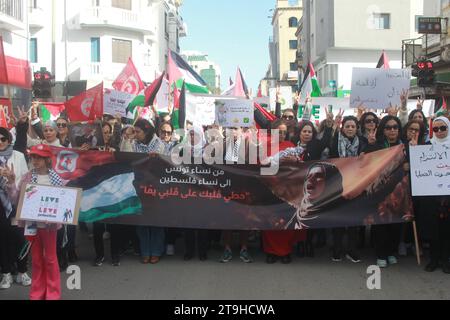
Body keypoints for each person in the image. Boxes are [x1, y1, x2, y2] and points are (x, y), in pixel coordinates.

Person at [6, 144, 64, 300]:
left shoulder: (57, 178)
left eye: (38, 157)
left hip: (49, 225)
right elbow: (15, 199)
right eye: (33, 157)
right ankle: (37, 293)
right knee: (37, 259)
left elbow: (63, 201)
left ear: (46, 159)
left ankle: (53, 293)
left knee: (51, 258)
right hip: (31, 224)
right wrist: (11, 182)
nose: (35, 160)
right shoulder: (27, 177)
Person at [364, 115, 404, 268]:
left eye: (395, 127)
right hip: (381, 191)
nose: (392, 130)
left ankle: (391, 252)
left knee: (396, 223)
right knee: (381, 222)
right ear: (383, 130)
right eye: (388, 127)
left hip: (400, 190)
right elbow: (366, 163)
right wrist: (370, 145)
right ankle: (381, 253)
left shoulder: (404, 145)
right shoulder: (377, 145)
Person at [262, 120, 300, 264]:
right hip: (269, 188)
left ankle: (285, 251)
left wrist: (294, 160)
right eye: (280, 132)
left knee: (286, 221)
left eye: (285, 132)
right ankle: (270, 251)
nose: (282, 135)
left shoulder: (291, 146)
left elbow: (300, 165)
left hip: (287, 190)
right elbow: (260, 164)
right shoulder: (265, 146)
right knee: (271, 221)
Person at [329, 116, 366, 263]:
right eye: (347, 126)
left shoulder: (363, 143)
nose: (350, 129)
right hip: (338, 185)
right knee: (338, 219)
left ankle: (352, 250)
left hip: (357, 185)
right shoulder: (335, 142)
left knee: (353, 220)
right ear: (342, 128)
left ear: (357, 128)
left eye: (353, 126)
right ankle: (336, 249)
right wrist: (333, 128)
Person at [0, 126, 30, 290]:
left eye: (3, 139)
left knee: (20, 238)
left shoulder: (18, 156)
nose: (0, 142)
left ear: (8, 140)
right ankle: (5, 273)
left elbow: (25, 178)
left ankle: (22, 270)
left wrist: (12, 181)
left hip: (17, 202)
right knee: (2, 239)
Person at [132, 119, 166, 264]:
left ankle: (156, 251)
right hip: (138, 187)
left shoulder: (159, 145)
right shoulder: (133, 144)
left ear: (146, 132)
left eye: (137, 131)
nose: (135, 134)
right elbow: (126, 157)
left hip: (156, 187)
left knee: (156, 221)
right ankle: (145, 251)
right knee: (142, 220)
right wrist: (127, 138)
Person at [420, 116, 450, 273]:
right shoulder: (427, 146)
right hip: (432, 198)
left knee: (447, 230)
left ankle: (446, 260)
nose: (439, 132)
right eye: (436, 129)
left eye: (442, 128)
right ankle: (434, 259)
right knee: (433, 229)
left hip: (448, 197)